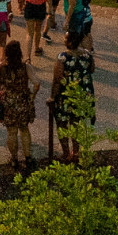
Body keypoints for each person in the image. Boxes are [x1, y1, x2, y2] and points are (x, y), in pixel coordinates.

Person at [50, 28, 96, 162]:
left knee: (62, 124)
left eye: (66, 38)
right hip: (81, 96)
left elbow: (57, 79)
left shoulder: (62, 58)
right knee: (76, 124)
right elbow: (91, 70)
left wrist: (52, 97)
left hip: (66, 96)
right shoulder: (87, 55)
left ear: (71, 42)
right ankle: (75, 152)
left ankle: (65, 153)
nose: (63, 40)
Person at [0, 40, 40, 169]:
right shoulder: (25, 67)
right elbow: (36, 83)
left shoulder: (2, 67)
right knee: (24, 129)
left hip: (8, 102)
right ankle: (28, 157)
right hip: (23, 101)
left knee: (12, 132)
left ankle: (14, 159)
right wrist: (32, 96)